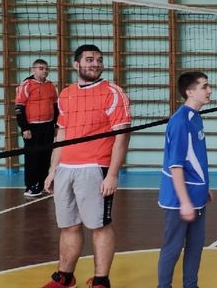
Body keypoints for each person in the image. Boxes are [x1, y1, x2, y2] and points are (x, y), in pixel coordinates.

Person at [43, 44, 131, 288]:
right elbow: (61, 134)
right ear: (76, 64)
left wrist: (112, 174)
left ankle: (101, 280)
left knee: (99, 225)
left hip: (95, 166)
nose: (96, 64)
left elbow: (122, 136)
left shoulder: (113, 92)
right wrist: (53, 170)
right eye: (90, 59)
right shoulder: (66, 94)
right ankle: (65, 277)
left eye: (99, 60)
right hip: (66, 168)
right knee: (68, 226)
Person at [157, 72, 213, 288]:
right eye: (204, 86)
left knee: (195, 246)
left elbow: (194, 158)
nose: (209, 90)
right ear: (190, 92)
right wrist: (185, 202)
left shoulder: (196, 117)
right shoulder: (180, 122)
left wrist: (204, 187)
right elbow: (176, 166)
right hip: (179, 199)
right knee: (173, 248)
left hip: (197, 195)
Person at [15, 59, 59, 197]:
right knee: (32, 157)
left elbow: (55, 107)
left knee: (45, 156)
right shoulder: (26, 85)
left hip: (48, 126)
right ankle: (31, 186)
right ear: (33, 70)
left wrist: (56, 125)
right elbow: (19, 108)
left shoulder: (51, 86)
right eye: (41, 68)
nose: (44, 71)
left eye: (46, 69)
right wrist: (24, 128)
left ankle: (43, 184)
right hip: (32, 128)